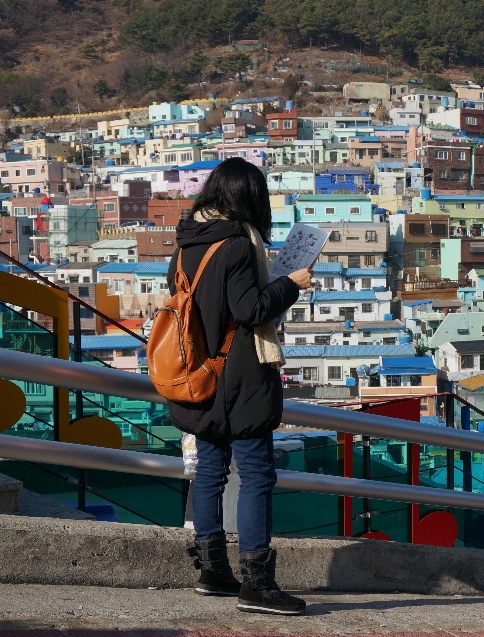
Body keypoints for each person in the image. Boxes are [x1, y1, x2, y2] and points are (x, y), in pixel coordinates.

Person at [166, 157, 311, 615]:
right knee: (257, 476)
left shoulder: (187, 244)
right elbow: (250, 310)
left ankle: (214, 572)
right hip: (241, 379)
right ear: (249, 198)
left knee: (209, 473)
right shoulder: (238, 246)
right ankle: (258, 584)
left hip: (197, 375)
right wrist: (290, 283)